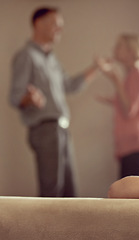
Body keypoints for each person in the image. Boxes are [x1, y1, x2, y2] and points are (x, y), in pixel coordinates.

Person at [9, 7, 98, 197]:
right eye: (55, 24)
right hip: (45, 130)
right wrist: (29, 98)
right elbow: (15, 96)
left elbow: (70, 86)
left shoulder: (52, 60)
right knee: (52, 193)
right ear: (38, 24)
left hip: (62, 130)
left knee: (69, 192)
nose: (60, 29)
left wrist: (95, 69)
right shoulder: (26, 56)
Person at [96, 34, 139, 179]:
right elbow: (127, 102)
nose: (114, 49)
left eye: (119, 46)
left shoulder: (137, 74)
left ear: (131, 51)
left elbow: (128, 110)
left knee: (130, 196)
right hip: (130, 146)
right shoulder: (133, 74)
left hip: (134, 146)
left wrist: (115, 80)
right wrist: (109, 99)